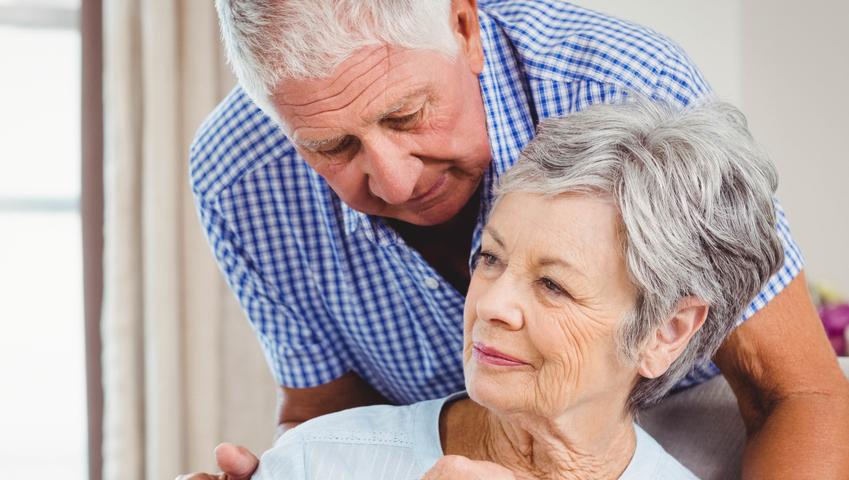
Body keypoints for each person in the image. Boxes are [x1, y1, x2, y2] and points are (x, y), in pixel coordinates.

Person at [181, 0, 849, 478]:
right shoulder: (239, 175)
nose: (391, 182)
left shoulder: (624, 90)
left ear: (463, 24)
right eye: (331, 146)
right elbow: (327, 418)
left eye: (408, 114)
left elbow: (794, 393)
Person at [251, 98, 784, 480]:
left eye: (553, 284)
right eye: (490, 258)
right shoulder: (316, 461)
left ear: (665, 333)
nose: (491, 304)